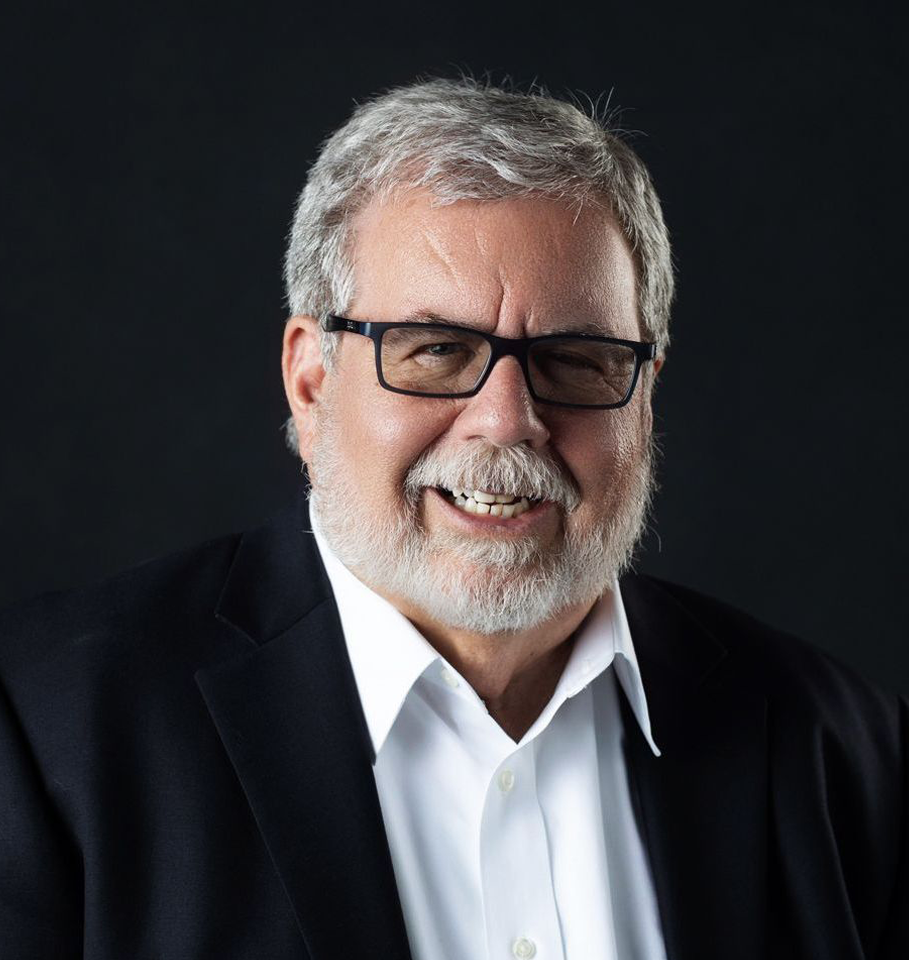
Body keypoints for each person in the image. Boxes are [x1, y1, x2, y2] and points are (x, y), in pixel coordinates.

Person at [0, 78, 905, 960]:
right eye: (435, 350)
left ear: (643, 398)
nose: (508, 420)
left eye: (576, 358)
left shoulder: (844, 749)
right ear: (311, 381)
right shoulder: (45, 736)